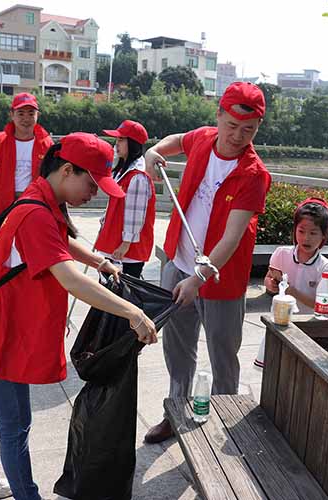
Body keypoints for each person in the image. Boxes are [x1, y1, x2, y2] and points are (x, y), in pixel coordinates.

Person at [0, 132, 158, 500]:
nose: (94, 193)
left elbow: (60, 241)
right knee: (16, 424)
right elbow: (70, 279)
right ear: (67, 171)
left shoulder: (41, 199)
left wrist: (98, 260)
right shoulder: (36, 213)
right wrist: (133, 313)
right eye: (91, 184)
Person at [141, 82, 272, 444]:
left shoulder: (254, 173)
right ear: (218, 115)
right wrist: (154, 151)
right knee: (177, 348)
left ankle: (222, 423)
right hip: (178, 265)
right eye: (231, 126)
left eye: (248, 130)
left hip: (219, 279)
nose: (237, 136)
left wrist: (197, 279)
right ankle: (175, 411)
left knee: (222, 355)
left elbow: (232, 237)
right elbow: (175, 141)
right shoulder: (202, 139)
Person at [254, 197, 328, 367]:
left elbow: (320, 305)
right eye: (301, 231)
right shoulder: (281, 254)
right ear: (294, 230)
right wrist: (270, 285)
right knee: (274, 369)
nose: (306, 238)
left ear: (324, 234)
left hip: (308, 327)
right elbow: (269, 278)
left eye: (313, 233)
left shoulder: (327, 267)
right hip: (280, 322)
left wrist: (291, 291)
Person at [0, 92, 54, 226]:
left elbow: (55, 179)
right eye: (21, 113)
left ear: (38, 115)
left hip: (36, 206)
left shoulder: (47, 144)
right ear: (12, 115)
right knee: (4, 240)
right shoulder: (0, 141)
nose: (26, 118)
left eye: (31, 114)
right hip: (4, 207)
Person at [94, 120, 155, 278]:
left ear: (133, 143)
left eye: (121, 139)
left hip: (126, 250)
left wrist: (126, 244)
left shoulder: (138, 177)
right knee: (106, 287)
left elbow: (136, 215)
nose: (117, 143)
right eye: (117, 139)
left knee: (119, 290)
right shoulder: (122, 170)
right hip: (114, 242)